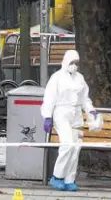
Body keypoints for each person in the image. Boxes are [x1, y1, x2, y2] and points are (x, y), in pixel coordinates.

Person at [40, 50, 97, 191]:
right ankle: (57, 176)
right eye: (72, 62)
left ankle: (69, 179)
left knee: (76, 147)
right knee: (67, 144)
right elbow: (49, 98)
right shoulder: (57, 78)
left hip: (76, 114)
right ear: (65, 62)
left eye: (76, 63)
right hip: (61, 112)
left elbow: (84, 98)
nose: (74, 65)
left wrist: (91, 110)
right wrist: (47, 116)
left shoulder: (80, 78)